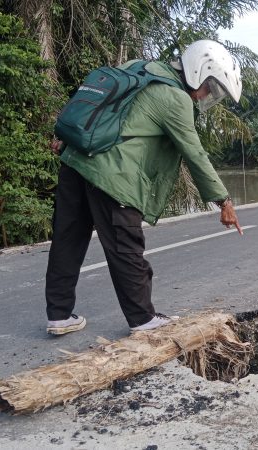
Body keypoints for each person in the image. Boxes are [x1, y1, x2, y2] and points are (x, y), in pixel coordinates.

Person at [45, 40, 243, 336]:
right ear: (198, 70)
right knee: (126, 246)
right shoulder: (175, 98)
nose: (205, 96)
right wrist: (223, 200)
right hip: (113, 174)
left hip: (75, 162)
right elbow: (194, 153)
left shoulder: (139, 68)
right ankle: (142, 319)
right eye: (209, 87)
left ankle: (59, 316)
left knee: (67, 240)